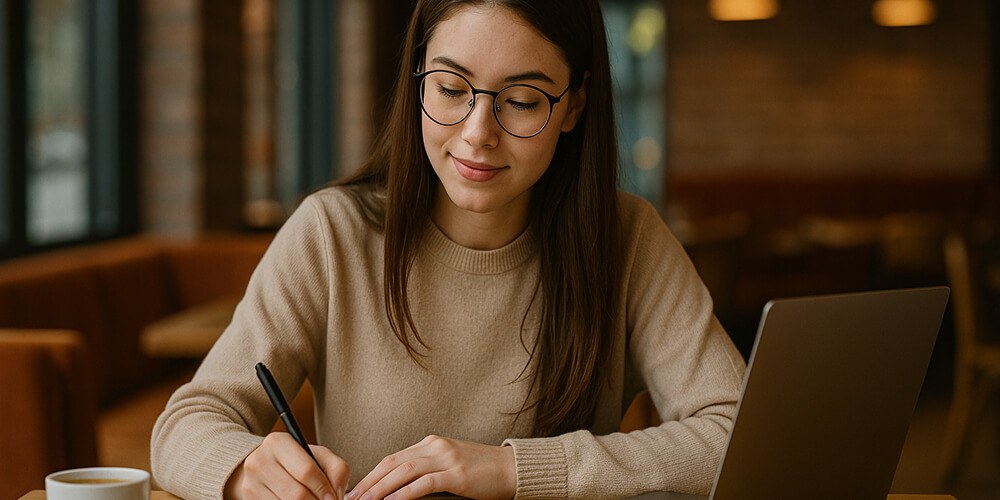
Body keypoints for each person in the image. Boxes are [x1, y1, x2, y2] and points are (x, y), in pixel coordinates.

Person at [151, 1, 746, 499]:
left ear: (575, 106)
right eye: (451, 88)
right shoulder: (332, 233)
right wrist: (244, 471)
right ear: (418, 79)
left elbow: (738, 434)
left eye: (522, 102)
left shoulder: (627, 238)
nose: (477, 133)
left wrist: (514, 469)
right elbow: (186, 424)